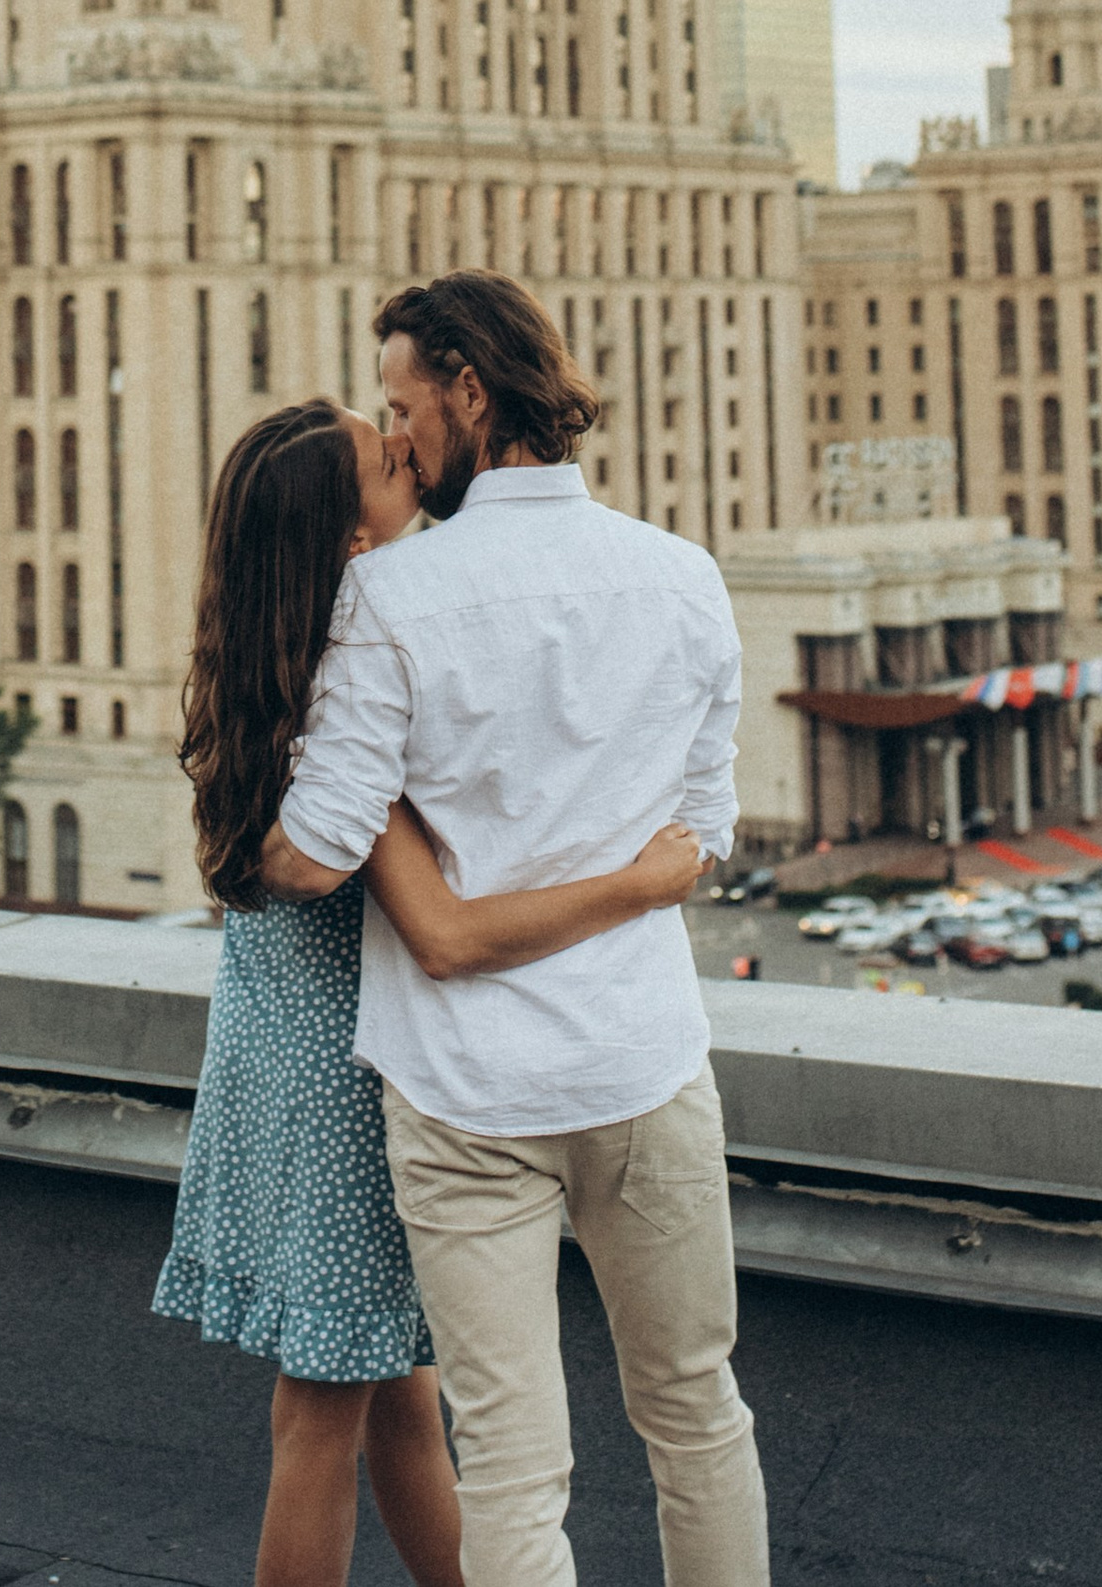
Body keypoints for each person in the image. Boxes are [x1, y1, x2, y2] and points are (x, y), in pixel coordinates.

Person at [264, 274, 770, 1587]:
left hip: (472, 1095)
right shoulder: (683, 573)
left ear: (469, 389)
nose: (399, 436)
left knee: (510, 1467)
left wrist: (267, 814)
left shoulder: (392, 597)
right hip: (644, 1063)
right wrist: (623, 871)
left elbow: (312, 852)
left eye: (402, 402)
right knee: (699, 1419)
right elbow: (700, 828)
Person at [154, 393, 708, 1587]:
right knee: (322, 1412)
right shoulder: (346, 721)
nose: (411, 452)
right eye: (387, 459)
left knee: (400, 1392)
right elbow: (444, 931)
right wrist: (643, 879)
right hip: (352, 1075)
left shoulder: (283, 672)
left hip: (288, 1047)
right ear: (352, 541)